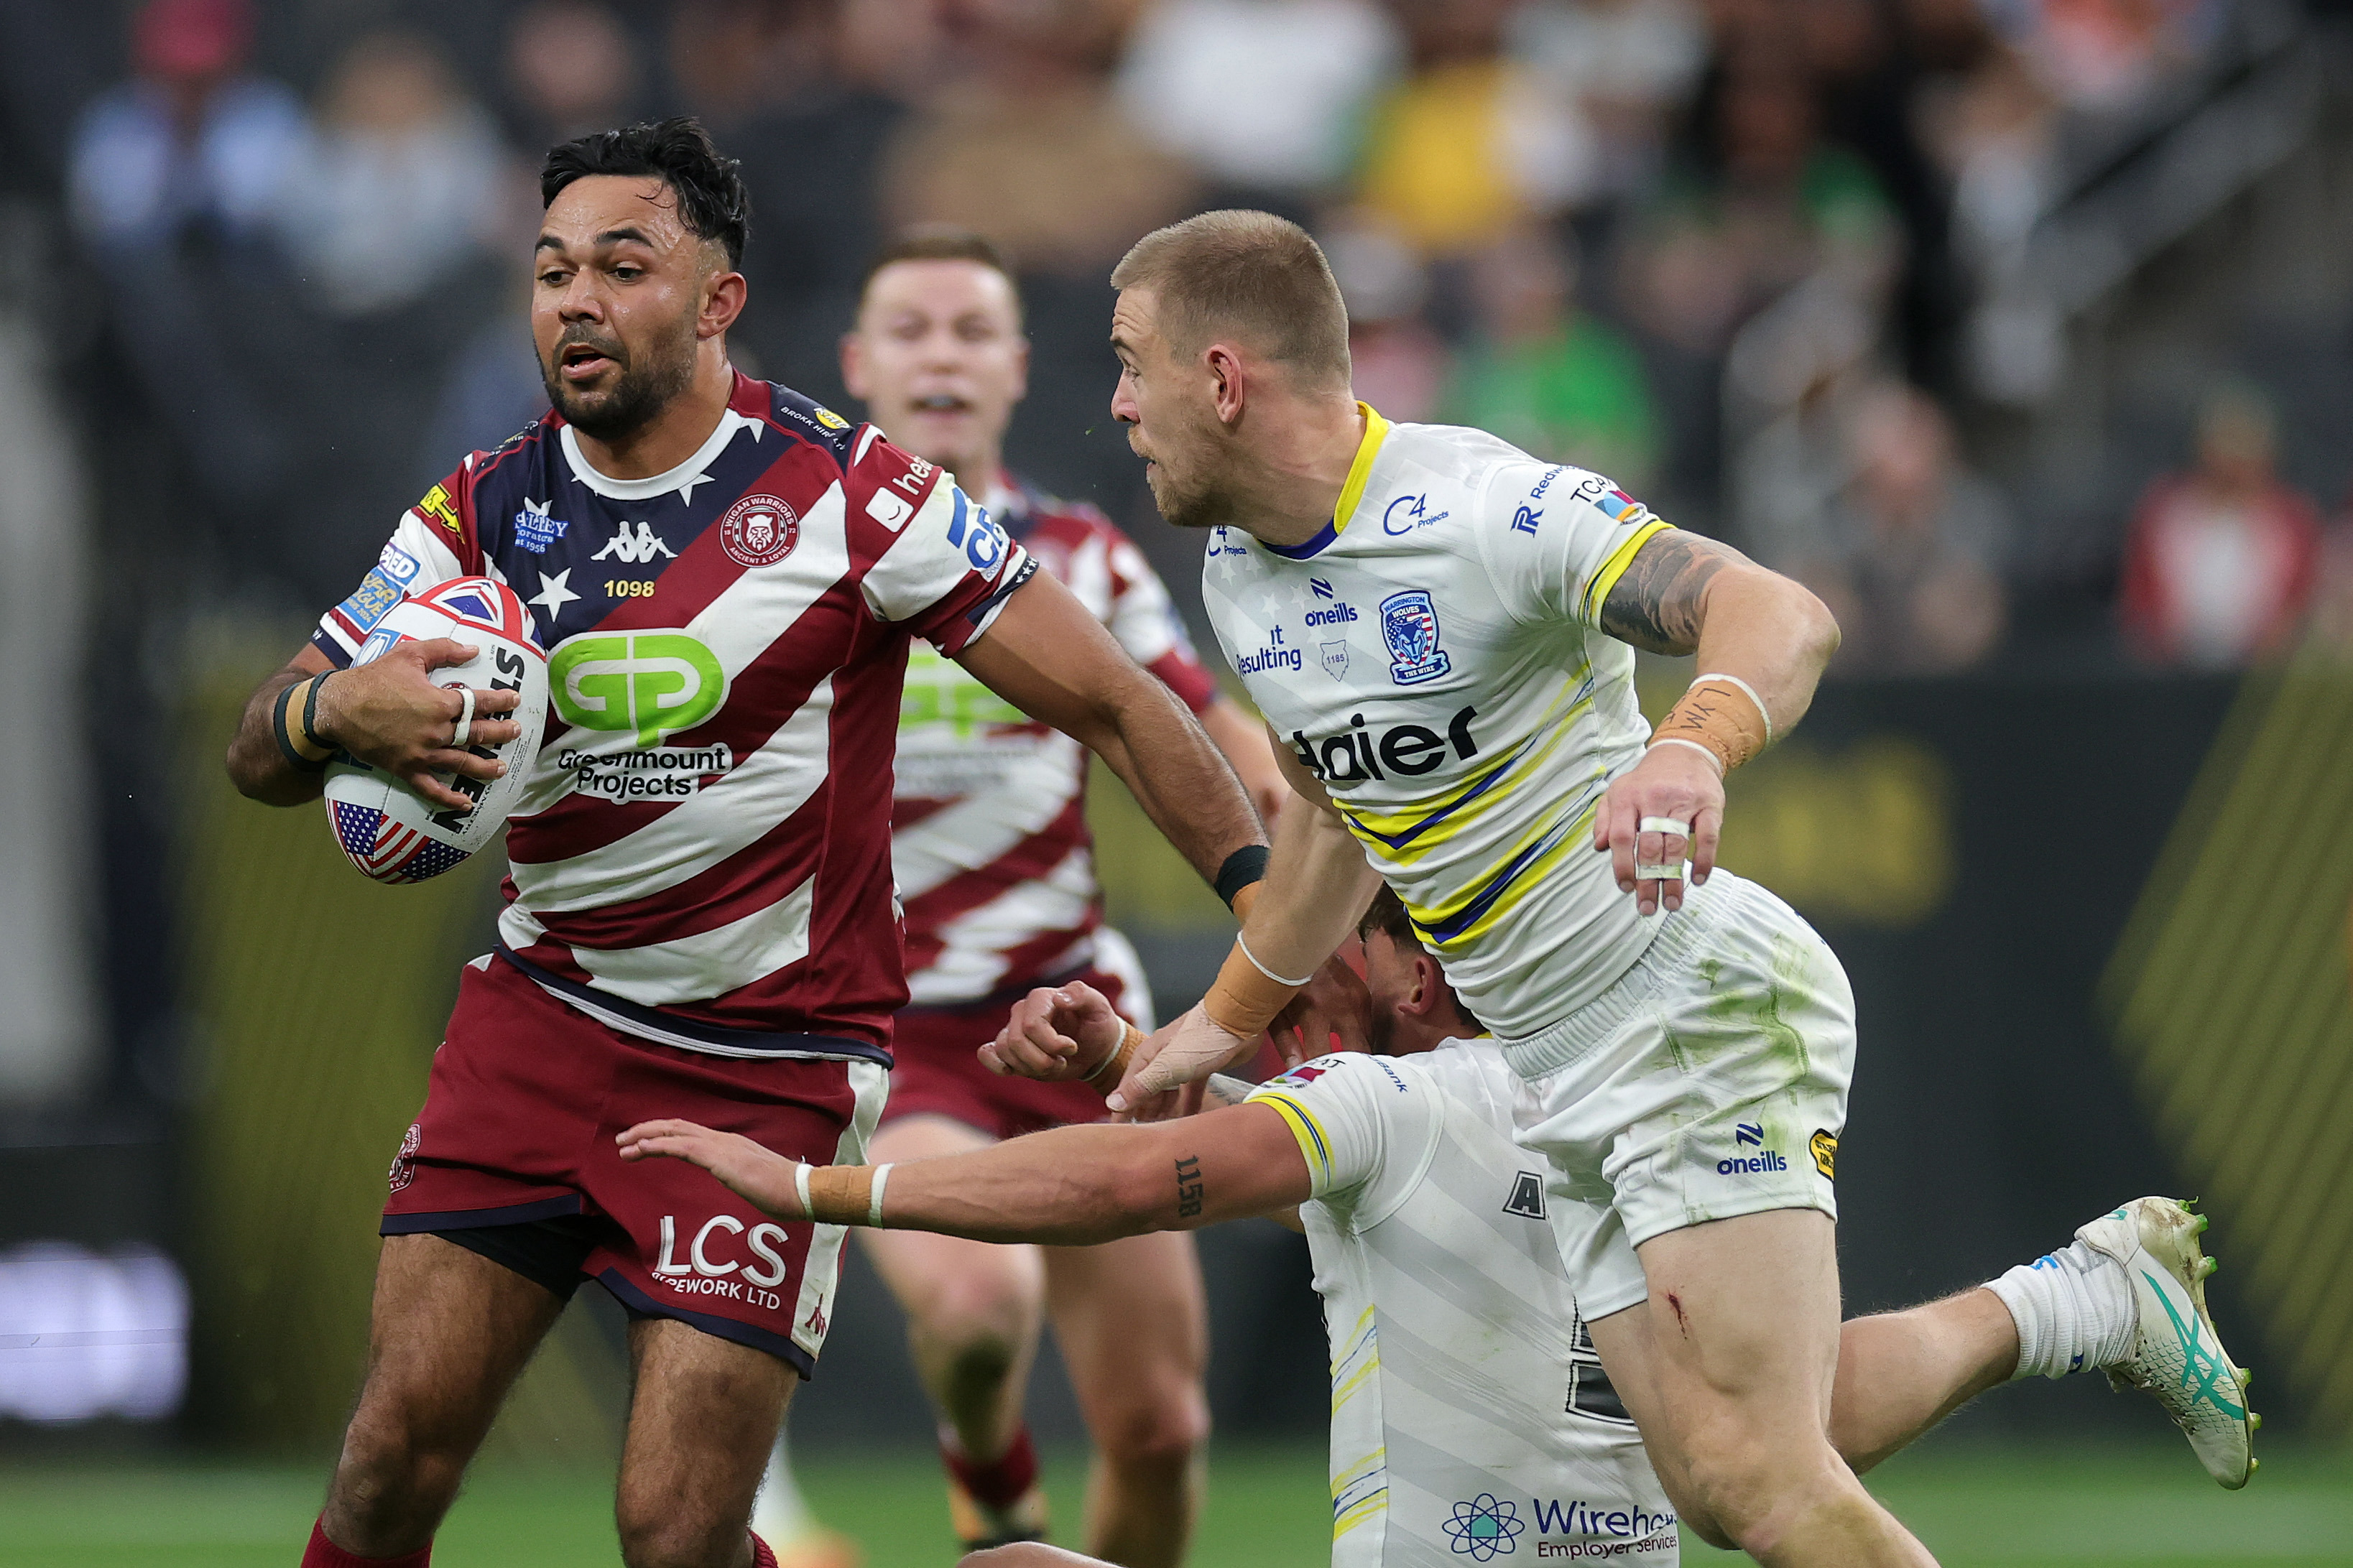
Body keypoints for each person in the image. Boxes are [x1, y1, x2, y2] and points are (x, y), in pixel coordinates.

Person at [1079, 209, 2255, 1563]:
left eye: (1131, 363)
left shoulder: (1483, 511)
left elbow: (1783, 613)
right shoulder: (1241, 575)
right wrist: (1218, 1024)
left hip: (1686, 1004)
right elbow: (1336, 825)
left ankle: (2096, 1300)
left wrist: (1693, 744)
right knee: (1714, 1468)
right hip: (1555, 1061)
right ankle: (2092, 1300)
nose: (1115, 402)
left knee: (1756, 1482)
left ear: (1222, 380)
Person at [221, 120, 1268, 1568]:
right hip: (536, 1030)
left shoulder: (859, 495)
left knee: (675, 1533)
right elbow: (257, 747)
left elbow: (1118, 700)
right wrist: (341, 707)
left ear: (718, 300)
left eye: (621, 266)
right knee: (388, 1464)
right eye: (549, 272)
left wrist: (1271, 933)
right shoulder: (481, 512)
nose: (573, 301)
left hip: (769, 1063)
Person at [616, 886, 2258, 1567]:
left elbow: (1128, 1190)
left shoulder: (1389, 1111)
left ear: (1418, 971)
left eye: (1315, 959)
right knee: (1761, 1428)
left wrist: (832, 1183)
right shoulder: (1593, 1088)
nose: (1286, 992)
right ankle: (2079, 1301)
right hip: (1613, 1499)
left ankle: (2084, 1302)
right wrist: (1137, 1060)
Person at [750, 228, 1288, 1562]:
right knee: (980, 1312)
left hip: (1077, 1014)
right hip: (895, 1041)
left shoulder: (1083, 555)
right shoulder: (789, 567)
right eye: (913, 331)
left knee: (1163, 1434)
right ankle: (993, 1492)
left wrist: (1309, 845)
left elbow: (1207, 734)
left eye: (971, 330)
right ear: (860, 367)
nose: (943, 354)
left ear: (1015, 368)